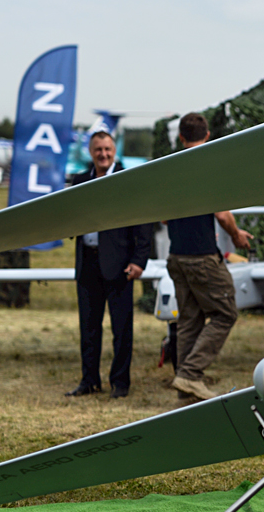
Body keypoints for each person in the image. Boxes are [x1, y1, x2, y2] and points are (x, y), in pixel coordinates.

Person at [166, 112, 252, 402]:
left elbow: (164, 218)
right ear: (208, 136)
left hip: (176, 256)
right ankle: (190, 374)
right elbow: (222, 214)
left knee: (189, 321)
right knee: (225, 313)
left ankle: (185, 389)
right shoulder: (208, 168)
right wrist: (237, 235)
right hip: (202, 257)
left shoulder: (169, 168)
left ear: (181, 137)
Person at [66, 131, 152, 399]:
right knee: (88, 329)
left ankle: (120, 383)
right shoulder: (79, 181)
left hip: (119, 266)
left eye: (107, 149)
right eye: (98, 150)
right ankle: (89, 381)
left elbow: (143, 222)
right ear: (91, 153)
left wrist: (139, 261)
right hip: (88, 263)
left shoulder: (129, 179)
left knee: (121, 329)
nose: (103, 154)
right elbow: (69, 217)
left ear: (115, 151)